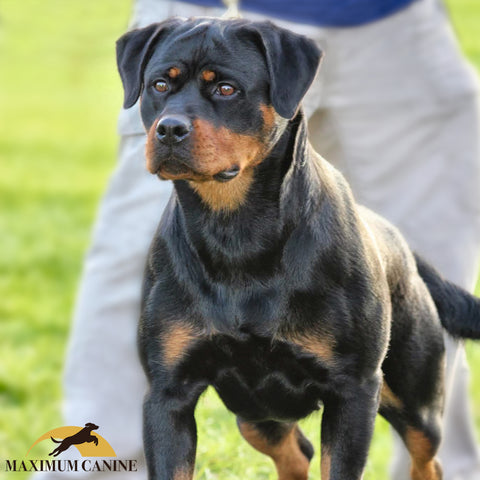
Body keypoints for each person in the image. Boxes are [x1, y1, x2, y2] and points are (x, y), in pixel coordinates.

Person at [36, 0, 480, 479]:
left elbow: (354, 387)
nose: (173, 119)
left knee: (419, 424)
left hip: (386, 22)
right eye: (162, 87)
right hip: (201, 5)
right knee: (251, 423)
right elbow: (168, 399)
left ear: (285, 98)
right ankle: (94, 469)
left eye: (224, 90)